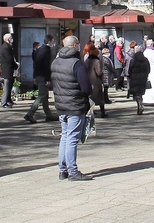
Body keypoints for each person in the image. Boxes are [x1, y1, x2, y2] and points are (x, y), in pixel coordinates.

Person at [52, 35, 93, 181]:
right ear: (75, 45)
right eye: (78, 44)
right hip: (75, 105)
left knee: (65, 137)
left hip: (61, 105)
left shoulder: (56, 62)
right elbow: (86, 87)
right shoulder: (76, 63)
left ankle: (62, 170)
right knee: (72, 139)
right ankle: (72, 171)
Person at [25, 34, 58, 123]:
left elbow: (35, 64)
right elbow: (46, 66)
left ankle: (48, 114)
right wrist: (48, 79)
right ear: (50, 41)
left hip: (38, 75)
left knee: (45, 96)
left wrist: (35, 76)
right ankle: (30, 114)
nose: (54, 43)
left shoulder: (39, 50)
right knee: (42, 96)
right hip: (43, 76)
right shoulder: (47, 51)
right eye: (53, 41)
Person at [84, 43, 107, 118]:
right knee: (100, 97)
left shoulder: (87, 60)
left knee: (90, 98)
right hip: (96, 81)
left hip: (88, 81)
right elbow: (99, 72)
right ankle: (103, 113)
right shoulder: (96, 61)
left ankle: (90, 112)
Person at [127, 45, 151, 115]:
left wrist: (130, 76)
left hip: (134, 79)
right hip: (143, 78)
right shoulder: (145, 60)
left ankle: (139, 105)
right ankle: (140, 105)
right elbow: (148, 70)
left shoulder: (133, 60)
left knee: (136, 94)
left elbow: (130, 70)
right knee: (140, 93)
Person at [0, 33, 18, 108]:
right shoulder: (6, 47)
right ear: (8, 39)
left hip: (8, 70)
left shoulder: (6, 46)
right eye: (11, 38)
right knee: (6, 87)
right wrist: (15, 65)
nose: (12, 39)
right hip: (7, 70)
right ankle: (4, 102)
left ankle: (8, 100)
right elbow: (9, 59)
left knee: (9, 86)